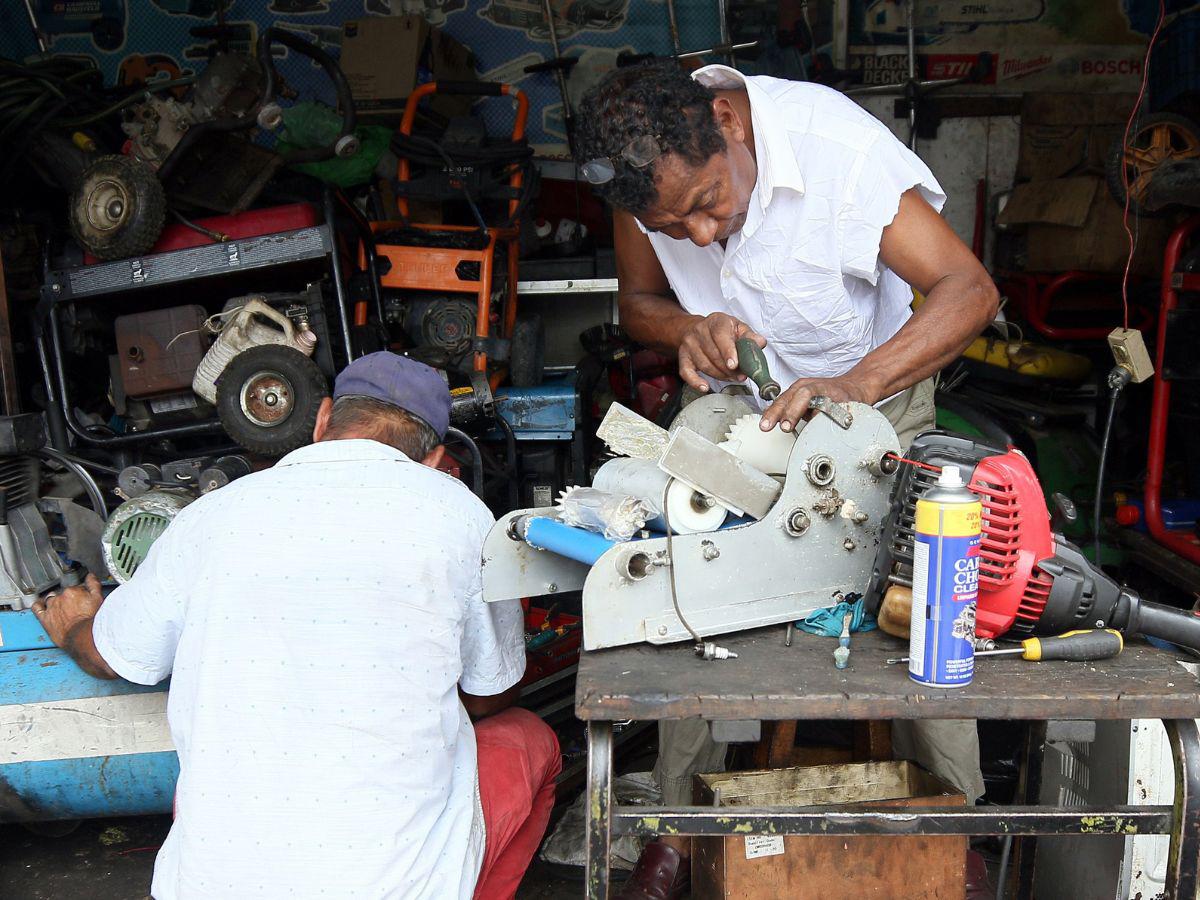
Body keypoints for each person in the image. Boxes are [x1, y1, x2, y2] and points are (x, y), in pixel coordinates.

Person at [575, 61, 999, 898]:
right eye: (674, 224)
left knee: (916, 583)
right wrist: (690, 326)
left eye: (705, 204)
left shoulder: (835, 153)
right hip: (746, 406)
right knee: (681, 558)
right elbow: (639, 303)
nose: (699, 237)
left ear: (729, 121)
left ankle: (959, 826)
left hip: (875, 387)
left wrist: (856, 387)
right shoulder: (643, 180)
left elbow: (969, 290)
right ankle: (672, 828)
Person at [33, 352, 560, 900]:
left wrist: (76, 627)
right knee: (532, 739)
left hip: (208, 888)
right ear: (434, 458)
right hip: (390, 888)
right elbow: (488, 694)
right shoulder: (461, 514)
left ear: (322, 418)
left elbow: (114, 656)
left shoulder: (212, 515)